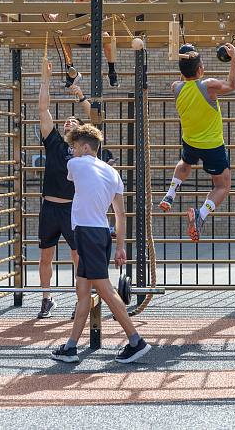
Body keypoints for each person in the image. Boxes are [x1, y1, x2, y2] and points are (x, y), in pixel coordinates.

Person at [50, 124, 150, 364]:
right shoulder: (112, 172)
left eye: (76, 147)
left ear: (85, 148)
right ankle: (71, 347)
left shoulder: (77, 164)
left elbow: (67, 161)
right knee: (83, 291)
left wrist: (69, 133)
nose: (73, 151)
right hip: (102, 233)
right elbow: (120, 215)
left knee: (105, 290)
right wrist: (120, 247)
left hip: (87, 233)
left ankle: (136, 341)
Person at [36, 60, 97, 319]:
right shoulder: (54, 143)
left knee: (77, 257)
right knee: (45, 257)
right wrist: (45, 78)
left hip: (73, 209)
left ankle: (81, 301)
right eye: (66, 121)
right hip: (50, 208)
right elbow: (43, 109)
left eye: (73, 120)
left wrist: (80, 94)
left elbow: (96, 117)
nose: (68, 122)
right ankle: (46, 299)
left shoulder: (85, 148)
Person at [158, 43, 235, 242]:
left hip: (190, 142)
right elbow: (231, 85)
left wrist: (186, 57)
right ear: (200, 69)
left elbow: (185, 78)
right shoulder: (208, 85)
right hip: (212, 146)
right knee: (222, 186)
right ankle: (200, 215)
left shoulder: (176, 88)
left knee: (185, 163)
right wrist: (234, 58)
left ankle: (170, 193)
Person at [47, 0, 118, 88]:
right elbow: (57, 18)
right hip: (77, 37)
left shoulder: (96, 7)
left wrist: (92, 32)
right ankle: (71, 72)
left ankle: (112, 71)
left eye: (81, 0)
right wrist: (49, 15)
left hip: (94, 37)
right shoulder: (71, 8)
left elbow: (104, 25)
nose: (78, 2)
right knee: (63, 38)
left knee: (106, 37)